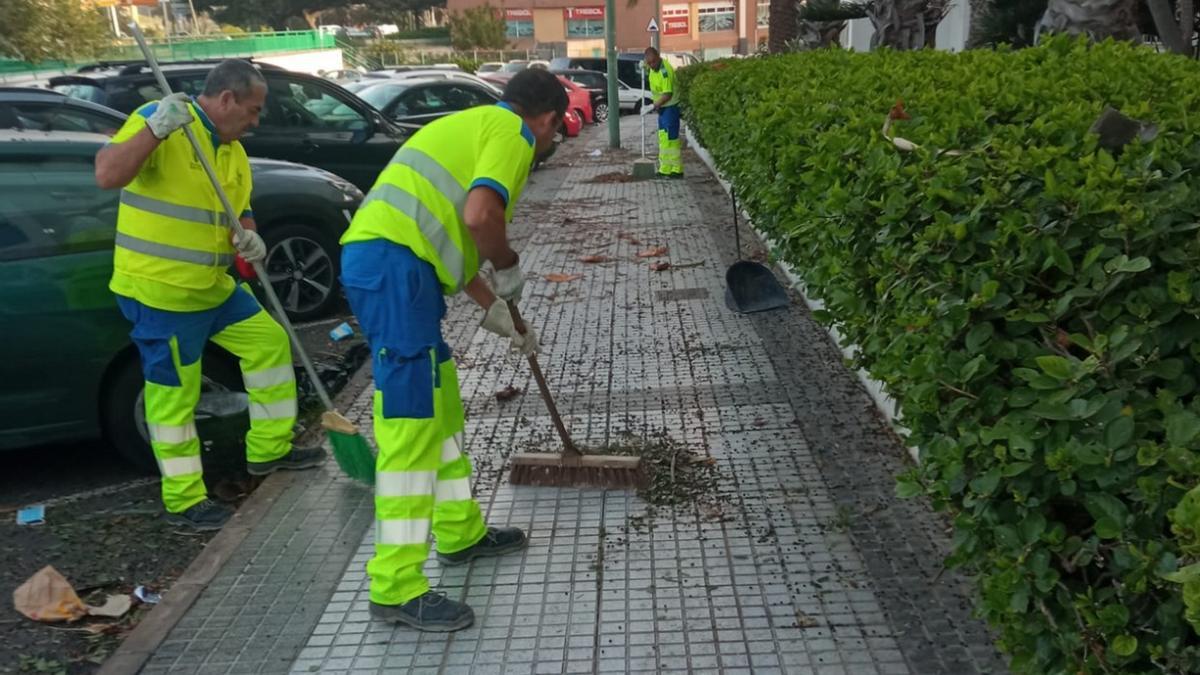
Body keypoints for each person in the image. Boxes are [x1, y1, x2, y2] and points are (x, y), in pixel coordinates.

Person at [338, 68, 568, 632]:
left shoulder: (472, 124)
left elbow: (451, 238)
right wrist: (509, 266)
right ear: (547, 118)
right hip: (395, 272)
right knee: (410, 428)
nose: (549, 144)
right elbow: (479, 217)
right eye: (554, 132)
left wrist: (496, 312)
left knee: (441, 413)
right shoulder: (512, 133)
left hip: (400, 269)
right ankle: (395, 586)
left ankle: (460, 533)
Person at [94, 59, 325, 531]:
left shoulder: (232, 150)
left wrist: (249, 235)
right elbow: (107, 174)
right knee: (174, 397)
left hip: (214, 287)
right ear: (226, 99)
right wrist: (154, 131)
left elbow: (239, 210)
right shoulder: (161, 121)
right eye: (253, 110)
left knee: (268, 344)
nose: (256, 121)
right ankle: (184, 500)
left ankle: (268, 451)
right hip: (164, 293)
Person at [643, 47, 683, 178]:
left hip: (670, 107)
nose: (651, 65)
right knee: (664, 139)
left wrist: (652, 106)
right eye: (649, 63)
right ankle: (665, 168)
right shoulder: (651, 67)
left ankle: (676, 170)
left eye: (653, 62)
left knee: (671, 139)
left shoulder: (665, 71)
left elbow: (667, 94)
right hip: (662, 109)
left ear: (658, 57)